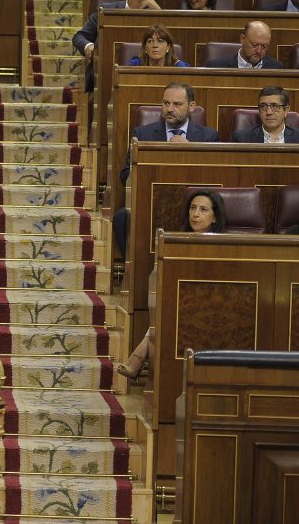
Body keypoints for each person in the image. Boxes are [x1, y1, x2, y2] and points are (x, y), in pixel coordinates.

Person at [118, 189, 226, 380]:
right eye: (193, 208)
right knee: (167, 306)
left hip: (213, 304)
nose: (196, 214)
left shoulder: (225, 245)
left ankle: (137, 358)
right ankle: (140, 359)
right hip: (180, 301)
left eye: (203, 209)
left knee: (169, 307)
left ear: (215, 217)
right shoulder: (176, 243)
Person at [113, 82, 219, 255]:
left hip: (192, 202)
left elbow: (214, 177)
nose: (169, 109)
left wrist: (192, 151)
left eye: (177, 104)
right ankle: (135, 271)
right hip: (153, 200)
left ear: (191, 106)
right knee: (122, 217)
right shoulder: (142, 134)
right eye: (166, 103)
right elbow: (125, 176)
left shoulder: (209, 137)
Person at [73, 0, 160, 92]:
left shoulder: (156, 16)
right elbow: (79, 37)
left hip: (144, 76)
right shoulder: (107, 11)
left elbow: (168, 43)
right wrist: (89, 46)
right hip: (104, 75)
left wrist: (160, 14)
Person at [231, 86, 299, 143]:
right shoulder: (241, 138)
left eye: (275, 106)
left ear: (286, 110)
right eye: (263, 106)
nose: (269, 112)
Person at [207, 21, 284, 68]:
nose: (259, 51)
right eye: (254, 45)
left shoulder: (276, 67)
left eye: (264, 47)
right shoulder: (217, 66)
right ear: (242, 39)